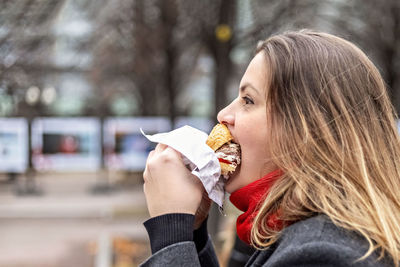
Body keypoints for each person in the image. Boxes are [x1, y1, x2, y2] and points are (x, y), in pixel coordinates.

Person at [140, 30, 400, 266]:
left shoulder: (323, 254)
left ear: (306, 130)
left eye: (248, 100)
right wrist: (191, 235)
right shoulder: (307, 233)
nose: (223, 114)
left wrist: (170, 231)